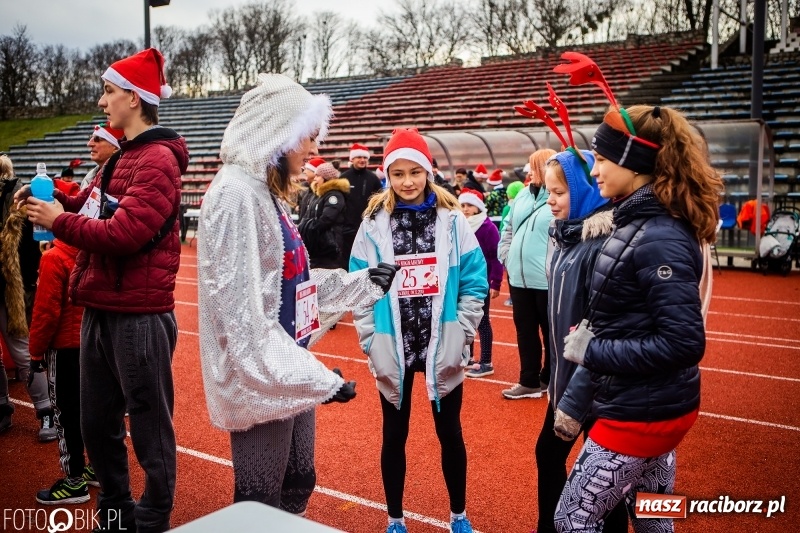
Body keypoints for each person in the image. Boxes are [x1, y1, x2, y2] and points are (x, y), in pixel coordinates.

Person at [196, 73, 395, 516]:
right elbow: (244, 317)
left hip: (285, 362)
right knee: (259, 498)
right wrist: (321, 380)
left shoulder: (261, 192)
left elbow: (292, 284)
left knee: (298, 480)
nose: (311, 149)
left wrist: (363, 284)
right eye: (305, 137)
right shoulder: (235, 196)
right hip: (261, 376)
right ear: (277, 131)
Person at [21, 47, 188, 533]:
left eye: (110, 92)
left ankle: (154, 514)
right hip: (101, 305)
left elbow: (125, 234)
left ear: (135, 99)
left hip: (138, 314)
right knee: (96, 423)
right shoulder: (125, 157)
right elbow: (97, 207)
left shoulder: (155, 158)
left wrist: (60, 220)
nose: (102, 101)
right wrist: (54, 190)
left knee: (150, 424)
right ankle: (115, 510)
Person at [552, 104, 722, 532]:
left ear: (634, 163)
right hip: (653, 404)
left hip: (639, 413)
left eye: (605, 160)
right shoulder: (639, 222)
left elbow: (684, 343)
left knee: (571, 520)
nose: (595, 172)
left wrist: (593, 349)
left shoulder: (658, 235)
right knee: (652, 519)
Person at [350, 127, 487, 533]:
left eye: (415, 172)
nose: (407, 182)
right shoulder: (372, 225)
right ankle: (395, 520)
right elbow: (360, 288)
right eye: (398, 174)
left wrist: (462, 331)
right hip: (394, 345)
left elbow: (475, 281)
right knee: (394, 435)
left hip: (441, 342)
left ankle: (458, 516)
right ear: (387, 176)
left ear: (428, 171)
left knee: (451, 433)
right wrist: (370, 340)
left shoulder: (452, 222)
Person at [534, 149, 628, 533]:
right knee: (558, 459)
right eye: (547, 191)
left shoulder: (600, 245)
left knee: (603, 478)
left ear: (587, 191)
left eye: (559, 192)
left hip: (595, 385)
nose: (550, 200)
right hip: (564, 379)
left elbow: (602, 322)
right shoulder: (566, 237)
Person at [28, 236, 99, 505]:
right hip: (95, 344)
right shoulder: (95, 249)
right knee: (94, 412)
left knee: (66, 414)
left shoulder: (54, 258)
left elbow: (45, 311)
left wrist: (35, 353)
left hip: (65, 348)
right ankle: (98, 467)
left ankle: (74, 481)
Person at [497, 148, 555, 400]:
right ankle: (529, 380)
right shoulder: (521, 194)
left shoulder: (559, 196)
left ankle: (551, 378)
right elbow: (508, 227)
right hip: (519, 279)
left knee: (552, 333)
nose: (528, 172)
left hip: (547, 280)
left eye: (533, 166)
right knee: (525, 331)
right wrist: (506, 255)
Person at [0, 154, 49, 439]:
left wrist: (28, 281)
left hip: (12, 287)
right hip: (11, 284)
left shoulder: (18, 200)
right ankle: (3, 408)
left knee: (21, 349)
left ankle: (46, 412)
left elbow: (31, 248)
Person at [457, 189, 501, 378]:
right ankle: (469, 356)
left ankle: (486, 362)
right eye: (463, 205)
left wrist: (496, 282)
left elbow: (495, 257)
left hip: (480, 281)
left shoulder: (487, 227)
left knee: (482, 321)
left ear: (479, 207)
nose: (465, 209)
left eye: (469, 205)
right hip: (462, 280)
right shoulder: (459, 225)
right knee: (465, 318)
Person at [299, 162, 350, 270]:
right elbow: (308, 216)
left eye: (318, 176)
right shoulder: (317, 195)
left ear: (325, 178)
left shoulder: (334, 195)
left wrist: (306, 228)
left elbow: (326, 219)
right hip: (316, 246)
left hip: (329, 247)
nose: (315, 179)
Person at [341, 142, 383, 260]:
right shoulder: (344, 178)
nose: (362, 160)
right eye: (359, 157)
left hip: (368, 227)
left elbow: (380, 200)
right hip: (348, 230)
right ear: (352, 159)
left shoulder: (373, 178)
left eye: (365, 157)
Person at [499, 180, 524, 307]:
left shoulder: (508, 208)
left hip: (511, 245)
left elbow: (504, 226)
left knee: (511, 272)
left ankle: (512, 298)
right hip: (523, 244)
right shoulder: (526, 205)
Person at [81, 123, 125, 191]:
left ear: (116, 148)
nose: (89, 144)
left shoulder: (125, 178)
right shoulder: (89, 176)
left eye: (97, 139)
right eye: (91, 137)